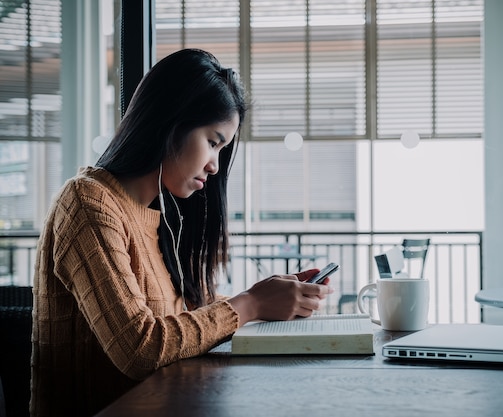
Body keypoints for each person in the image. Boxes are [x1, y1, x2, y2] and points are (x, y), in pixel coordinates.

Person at [30, 48, 333, 417]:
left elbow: (181, 312)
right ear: (169, 122)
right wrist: (250, 304)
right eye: (213, 141)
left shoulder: (154, 211)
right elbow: (140, 349)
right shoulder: (87, 203)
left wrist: (271, 299)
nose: (215, 165)